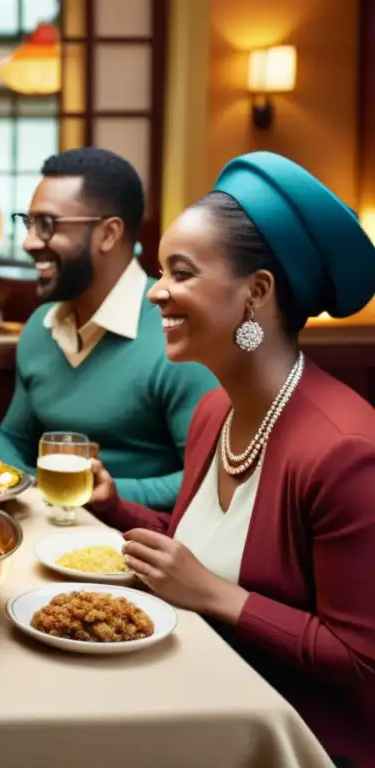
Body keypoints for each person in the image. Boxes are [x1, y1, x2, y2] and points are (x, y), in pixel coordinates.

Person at [88, 152, 375, 768]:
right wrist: (114, 508)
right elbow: (198, 548)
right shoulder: (214, 410)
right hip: (198, 694)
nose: (157, 292)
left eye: (181, 273)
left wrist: (216, 596)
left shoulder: (346, 452)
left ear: (258, 292)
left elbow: (360, 658)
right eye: (161, 270)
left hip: (291, 741)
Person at [0, 148, 216, 510]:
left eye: (47, 225)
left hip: (141, 546)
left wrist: (104, 493)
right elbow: (17, 448)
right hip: (48, 531)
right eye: (27, 223)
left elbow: (208, 479)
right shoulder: (40, 328)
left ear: (108, 234)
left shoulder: (176, 331)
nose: (28, 242)